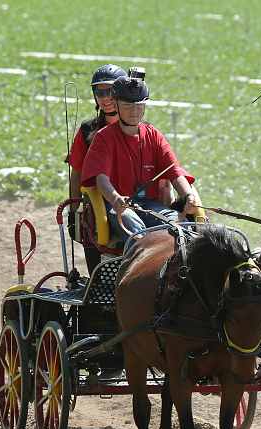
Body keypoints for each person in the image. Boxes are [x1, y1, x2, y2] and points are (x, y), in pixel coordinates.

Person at [81, 69, 200, 248]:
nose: (134, 110)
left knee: (175, 221)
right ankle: (136, 269)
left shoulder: (154, 135)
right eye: (127, 105)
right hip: (119, 207)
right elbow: (101, 179)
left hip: (149, 205)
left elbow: (175, 172)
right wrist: (115, 199)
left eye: (139, 105)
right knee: (132, 223)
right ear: (116, 104)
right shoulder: (104, 137)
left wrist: (189, 196)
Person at [65, 64, 126, 274]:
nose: (105, 97)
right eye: (99, 92)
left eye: (109, 91)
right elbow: (78, 172)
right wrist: (73, 211)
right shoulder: (87, 130)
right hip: (100, 204)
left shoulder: (140, 128)